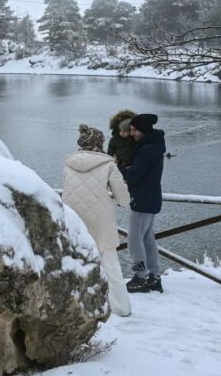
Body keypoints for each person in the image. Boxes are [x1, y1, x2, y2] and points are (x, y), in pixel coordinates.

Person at [62, 124, 133, 316]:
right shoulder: (109, 164)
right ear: (100, 143)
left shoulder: (68, 162)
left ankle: (78, 308)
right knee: (110, 266)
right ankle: (120, 309)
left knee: (76, 264)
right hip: (101, 222)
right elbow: (123, 200)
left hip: (73, 221)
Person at [120, 114, 166, 294]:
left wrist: (118, 167)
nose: (131, 133)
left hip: (143, 200)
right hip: (151, 198)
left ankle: (140, 277)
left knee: (134, 239)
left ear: (143, 130)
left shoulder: (147, 150)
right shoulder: (154, 146)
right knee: (147, 238)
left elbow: (133, 177)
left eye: (134, 130)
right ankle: (154, 276)